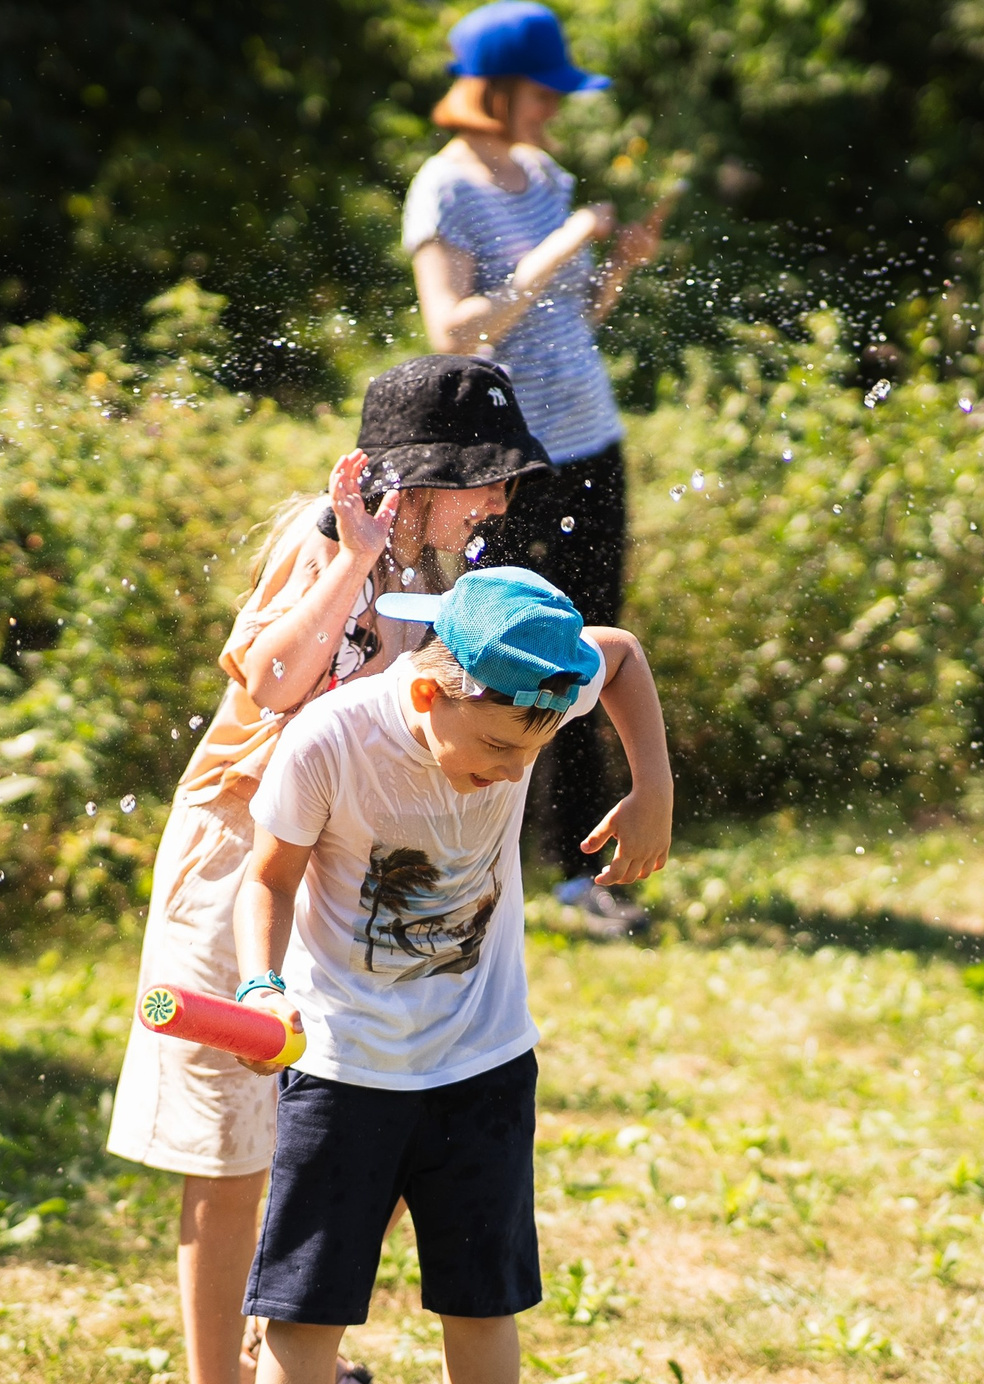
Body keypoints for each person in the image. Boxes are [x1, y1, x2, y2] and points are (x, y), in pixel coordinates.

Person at [109, 354, 554, 1384]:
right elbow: (268, 681)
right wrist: (353, 558)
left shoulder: (439, 571)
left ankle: (290, 1351)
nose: (499, 501)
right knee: (233, 1147)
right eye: (484, 479)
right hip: (242, 861)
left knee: (369, 1118)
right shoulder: (327, 542)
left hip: (346, 868)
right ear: (415, 478)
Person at [206, 566, 673, 1384]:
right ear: (430, 693)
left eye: (533, 753)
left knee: (481, 1300)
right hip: (343, 1065)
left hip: (482, 1063)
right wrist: (262, 987)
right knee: (302, 1308)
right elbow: (267, 878)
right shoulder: (328, 742)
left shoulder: (529, 689)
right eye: (499, 750)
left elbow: (623, 655)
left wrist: (653, 788)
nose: (512, 771)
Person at [404, 0, 668, 939]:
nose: (556, 109)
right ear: (498, 91)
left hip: (591, 442)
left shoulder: (547, 176)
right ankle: (465, 872)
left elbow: (568, 320)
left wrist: (618, 267)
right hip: (504, 469)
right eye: (544, 92)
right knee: (488, 661)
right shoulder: (443, 190)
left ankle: (586, 878)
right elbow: (454, 331)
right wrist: (562, 247)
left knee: (584, 654)